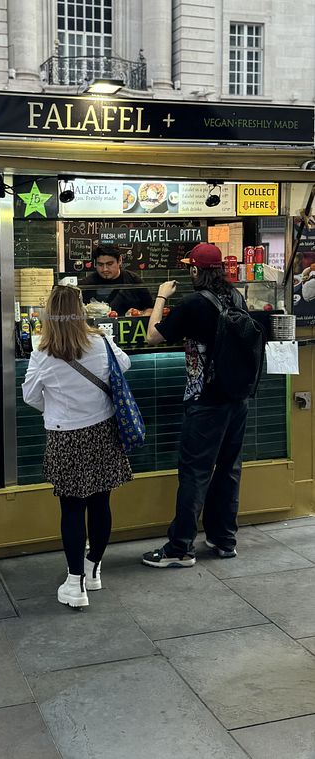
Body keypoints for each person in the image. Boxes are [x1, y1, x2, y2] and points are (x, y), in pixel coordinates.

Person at [22, 285, 132, 608]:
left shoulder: (42, 352)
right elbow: (123, 366)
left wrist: (54, 408)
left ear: (48, 314)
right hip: (103, 431)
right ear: (81, 310)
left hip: (65, 436)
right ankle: (93, 569)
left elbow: (29, 396)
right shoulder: (100, 341)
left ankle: (74, 585)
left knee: (71, 508)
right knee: (101, 503)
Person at [142, 242, 249, 568]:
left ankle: (180, 548)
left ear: (194, 270)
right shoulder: (237, 297)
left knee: (195, 473)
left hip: (205, 402)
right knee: (228, 470)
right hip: (237, 399)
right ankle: (224, 539)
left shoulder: (192, 304)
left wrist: (161, 296)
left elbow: (152, 336)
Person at [78, 244, 154, 316]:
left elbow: (150, 308)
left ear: (120, 260)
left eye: (109, 264)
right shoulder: (86, 285)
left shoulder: (134, 280)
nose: (105, 269)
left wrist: (139, 314)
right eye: (100, 264)